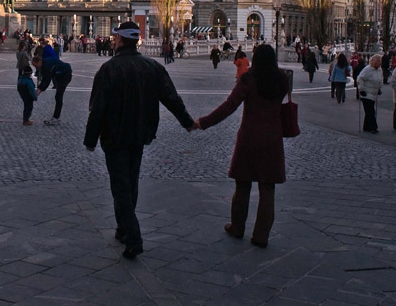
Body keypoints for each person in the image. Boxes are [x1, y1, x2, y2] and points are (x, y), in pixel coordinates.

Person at [84, 21, 195, 259]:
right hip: (140, 134)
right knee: (130, 182)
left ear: (121, 40)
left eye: (115, 38)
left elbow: (98, 108)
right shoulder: (152, 67)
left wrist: (90, 139)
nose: (113, 41)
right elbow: (171, 98)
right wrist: (186, 121)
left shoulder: (108, 69)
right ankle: (123, 228)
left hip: (114, 135)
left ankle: (133, 237)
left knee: (120, 186)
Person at [193, 44, 289, 249]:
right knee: (267, 188)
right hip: (272, 138)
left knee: (243, 184)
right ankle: (261, 235)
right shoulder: (282, 80)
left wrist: (204, 122)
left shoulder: (248, 79)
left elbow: (229, 106)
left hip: (250, 137)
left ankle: (237, 227)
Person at [32, 53, 72, 126]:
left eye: (35, 65)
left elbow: (47, 80)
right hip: (59, 75)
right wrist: (39, 89)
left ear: (40, 62)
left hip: (65, 75)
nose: (35, 68)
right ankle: (56, 117)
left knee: (58, 96)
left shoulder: (47, 65)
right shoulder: (44, 65)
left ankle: (56, 118)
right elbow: (45, 79)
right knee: (58, 96)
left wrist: (39, 90)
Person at [357, 54, 383, 134]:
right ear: (373, 61)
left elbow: (380, 80)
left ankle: (366, 127)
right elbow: (360, 78)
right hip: (366, 93)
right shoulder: (367, 69)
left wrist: (379, 88)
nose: (379, 62)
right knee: (370, 111)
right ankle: (373, 127)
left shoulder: (379, 70)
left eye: (380, 61)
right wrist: (361, 89)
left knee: (369, 111)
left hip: (373, 92)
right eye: (378, 61)